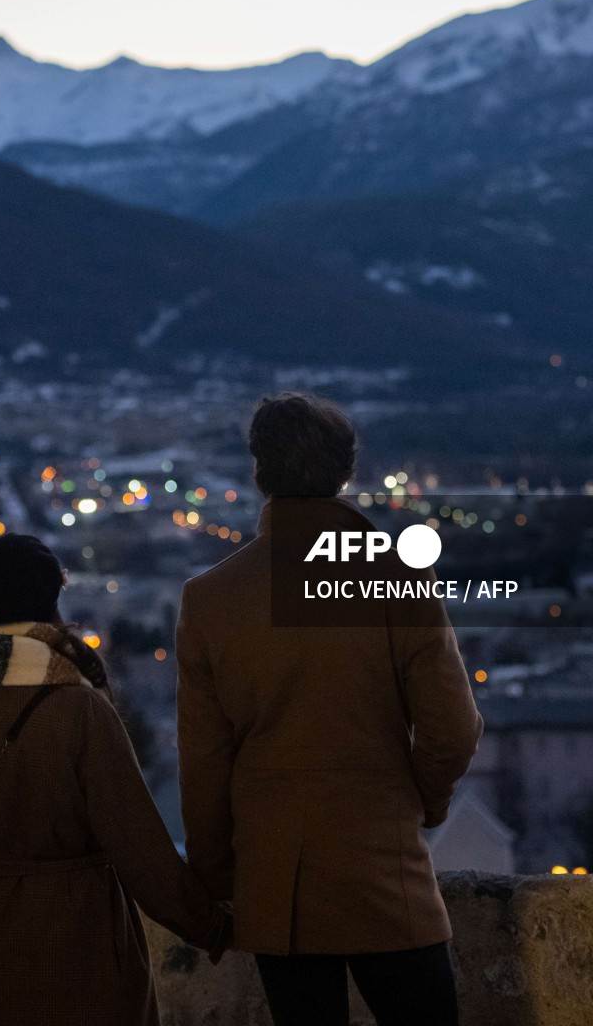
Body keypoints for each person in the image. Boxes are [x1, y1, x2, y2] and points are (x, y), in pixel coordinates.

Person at [177, 392, 483, 1026]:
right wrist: (418, 802)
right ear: (344, 472)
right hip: (382, 864)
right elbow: (451, 729)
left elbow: (203, 765)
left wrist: (216, 880)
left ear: (260, 473)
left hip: (273, 887)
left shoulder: (208, 600)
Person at [0, 533, 228, 1025]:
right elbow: (139, 847)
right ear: (50, 601)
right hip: (81, 943)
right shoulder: (76, 707)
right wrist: (211, 925)